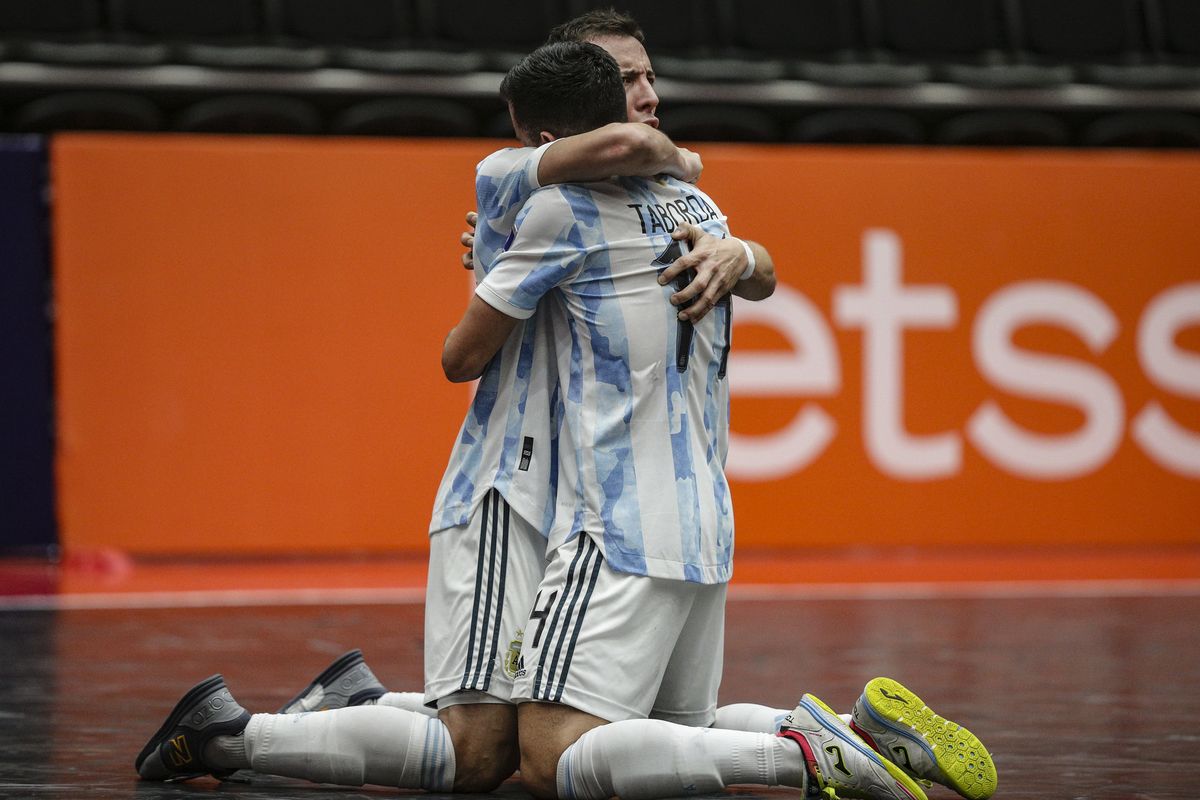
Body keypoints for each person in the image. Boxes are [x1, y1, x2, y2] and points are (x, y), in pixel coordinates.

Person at [439, 40, 931, 800]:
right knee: (673, 737)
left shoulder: (546, 200)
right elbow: (734, 241)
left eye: (651, 77)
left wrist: (504, 259)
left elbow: (459, 359)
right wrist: (726, 229)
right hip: (704, 515)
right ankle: (847, 733)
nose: (650, 96)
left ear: (541, 135)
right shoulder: (691, 205)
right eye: (630, 80)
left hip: (609, 517)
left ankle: (803, 753)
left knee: (542, 757)